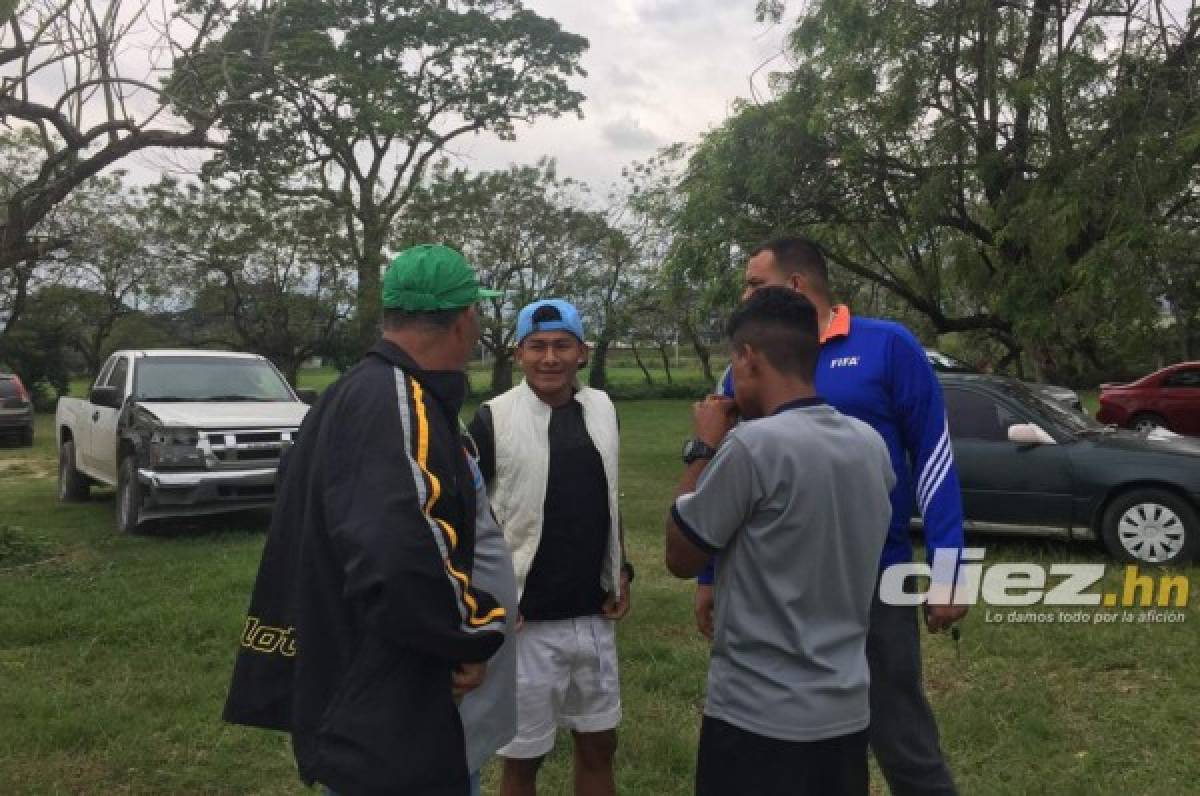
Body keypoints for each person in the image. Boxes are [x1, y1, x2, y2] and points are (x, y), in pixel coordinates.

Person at [223, 244, 510, 796]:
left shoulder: (352, 391)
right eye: (476, 314)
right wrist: (470, 634)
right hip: (384, 712)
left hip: (355, 693)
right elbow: (401, 550)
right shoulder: (402, 405)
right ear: (464, 318)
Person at [696, 236, 968, 795]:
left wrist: (949, 570)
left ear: (794, 285)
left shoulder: (886, 345)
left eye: (754, 282)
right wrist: (708, 575)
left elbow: (934, 455)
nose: (743, 293)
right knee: (789, 739)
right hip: (772, 587)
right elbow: (723, 471)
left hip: (872, 575)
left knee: (902, 738)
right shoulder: (745, 364)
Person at [666, 286, 896, 796]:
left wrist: (702, 447)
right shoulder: (870, 445)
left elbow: (681, 555)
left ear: (747, 358)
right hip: (845, 713)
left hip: (757, 718)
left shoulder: (754, 446)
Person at [467, 298, 632, 796]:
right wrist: (489, 596)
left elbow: (608, 497)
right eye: (537, 346)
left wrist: (621, 569)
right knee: (523, 759)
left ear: (581, 351)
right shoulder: (493, 418)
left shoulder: (602, 409)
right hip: (526, 621)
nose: (550, 358)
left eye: (562, 345)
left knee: (600, 745)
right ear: (519, 353)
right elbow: (470, 518)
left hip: (592, 615)